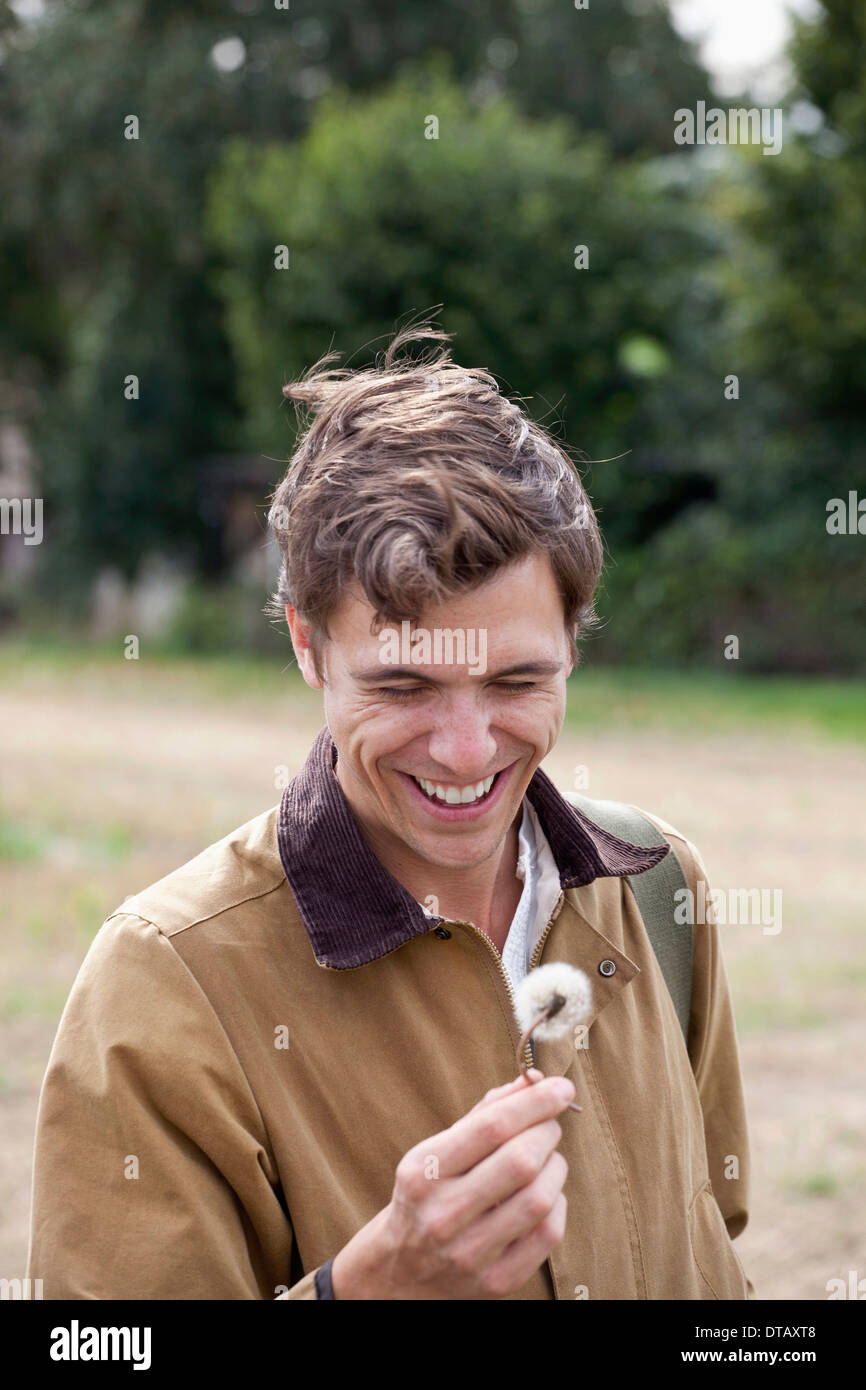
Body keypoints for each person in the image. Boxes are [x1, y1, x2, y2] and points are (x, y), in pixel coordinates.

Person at [27, 319, 754, 1300]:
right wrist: (367, 1291)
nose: (464, 750)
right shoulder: (164, 983)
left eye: (515, 679)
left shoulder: (659, 882)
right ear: (305, 644)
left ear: (573, 646)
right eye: (403, 687)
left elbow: (717, 1264)